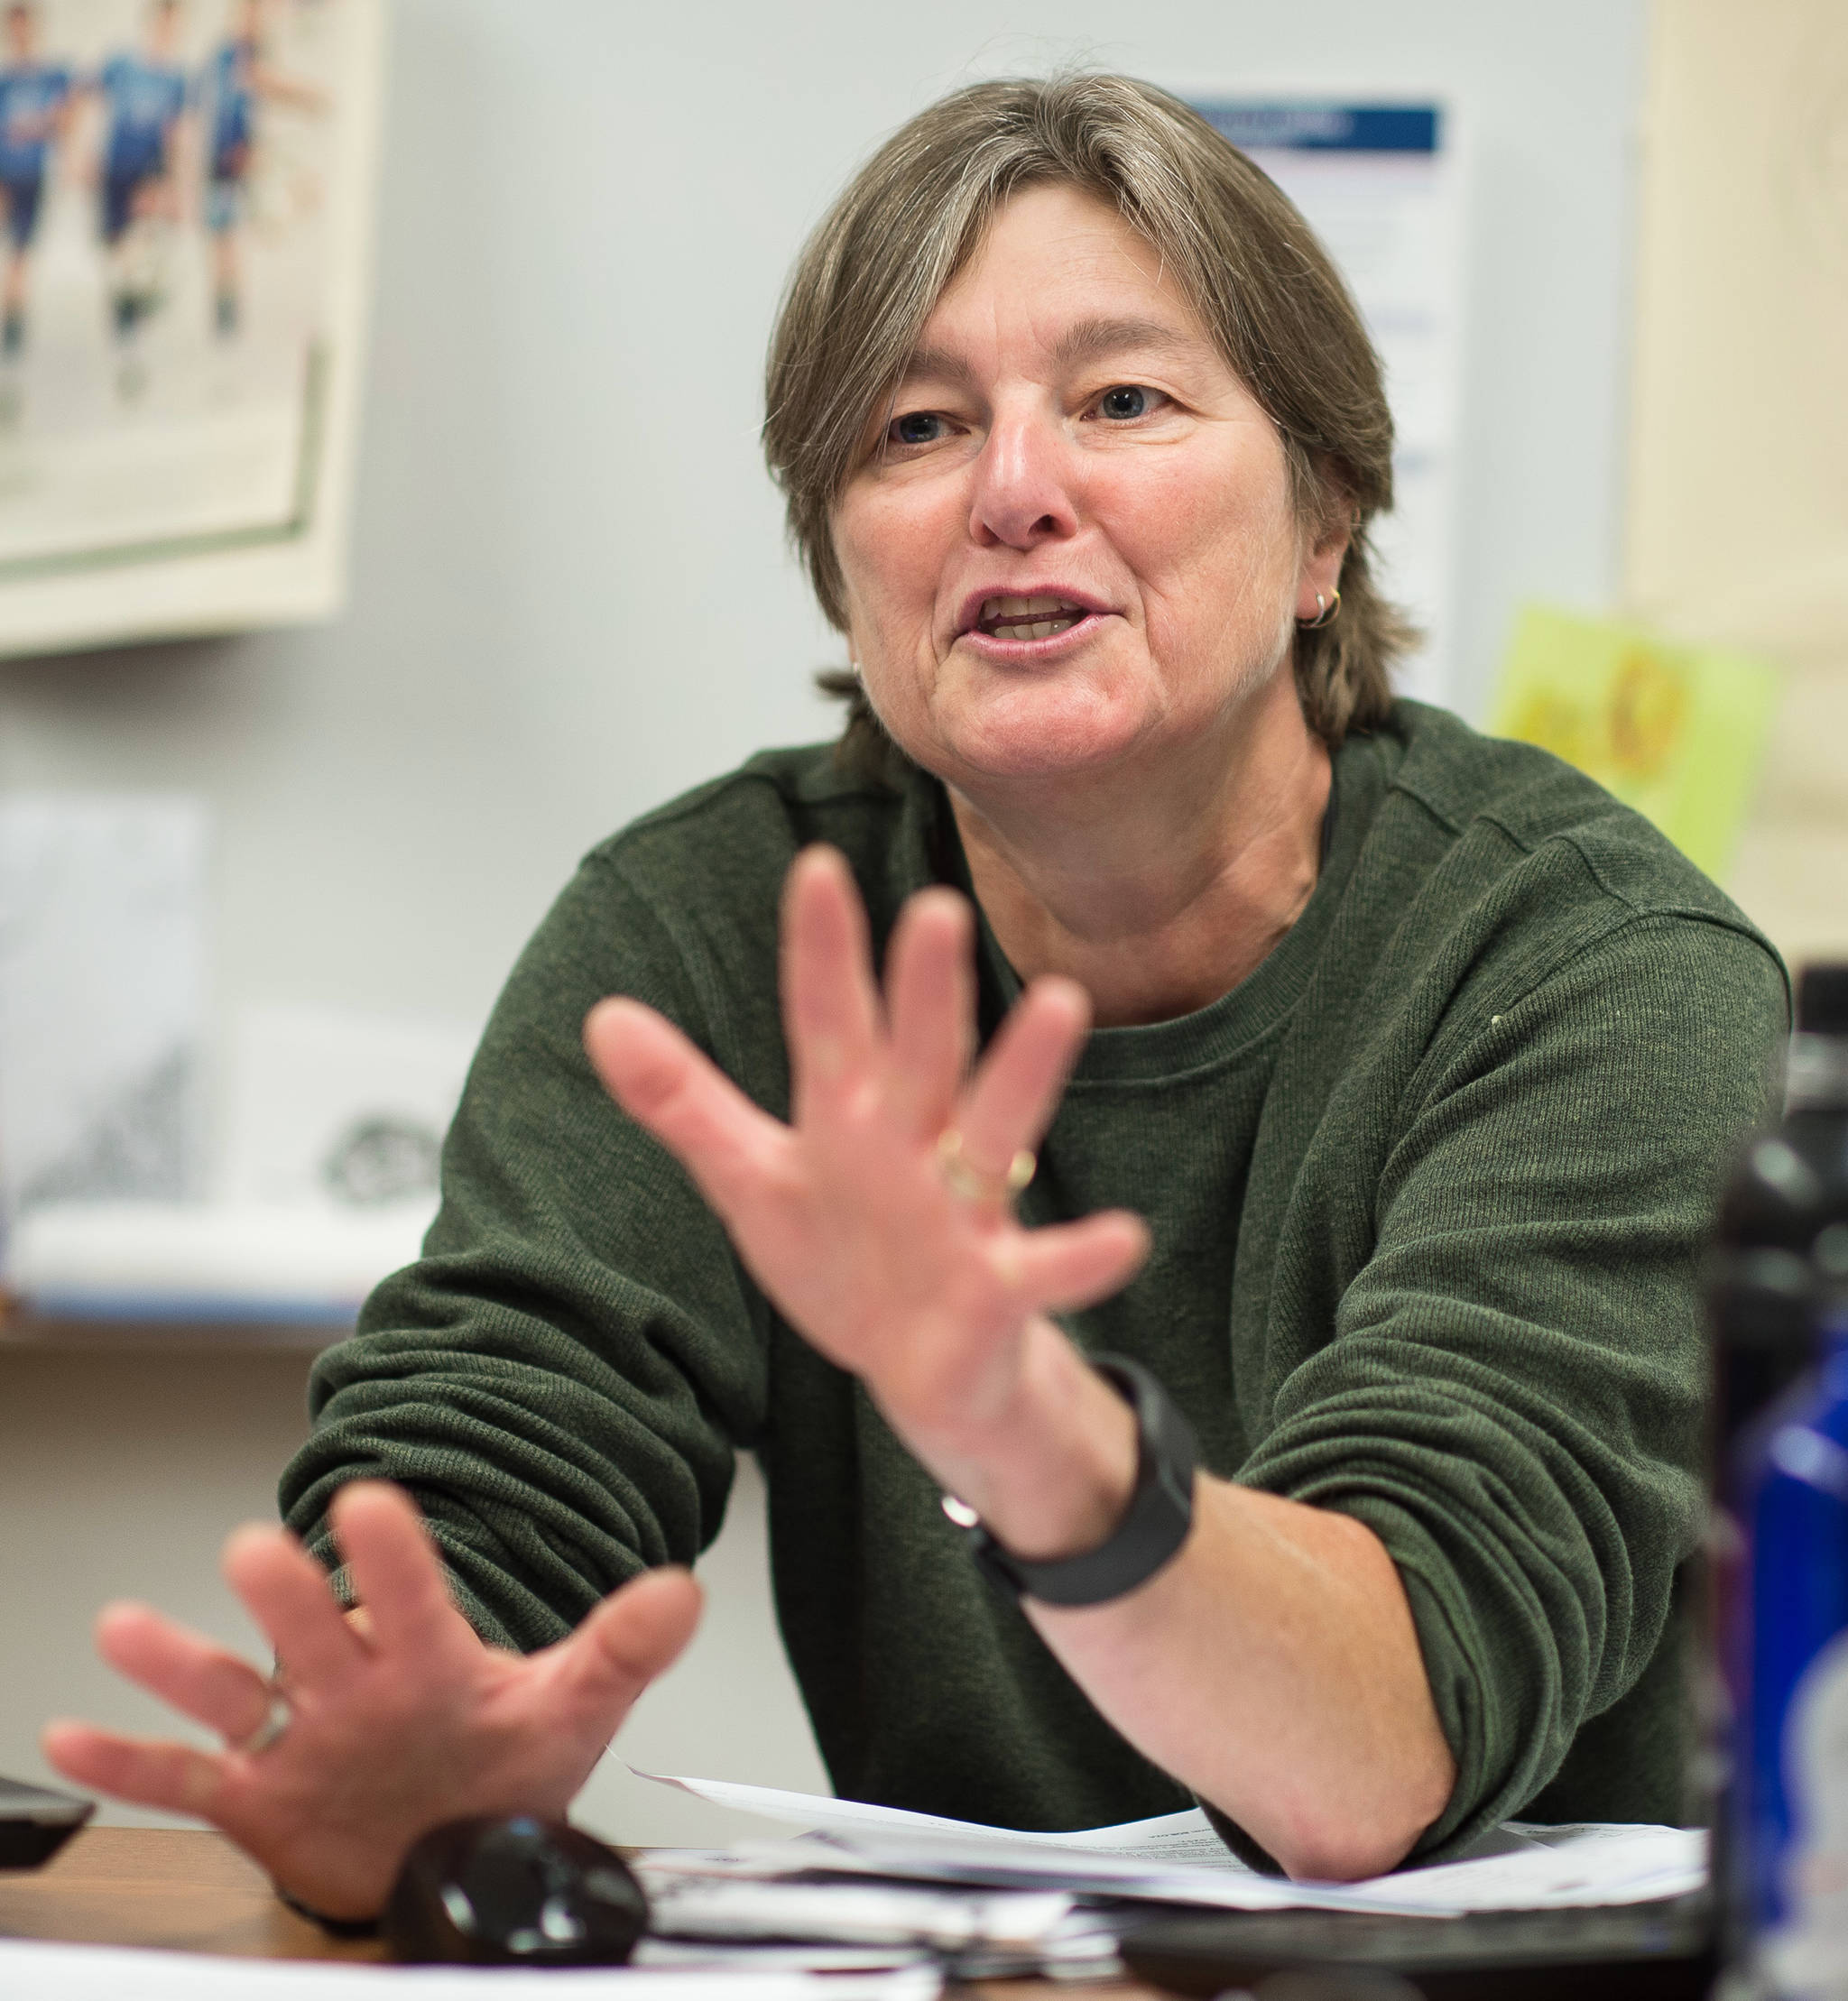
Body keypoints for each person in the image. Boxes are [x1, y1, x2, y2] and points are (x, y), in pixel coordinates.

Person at [44, 75, 1787, 1923]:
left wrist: (1023, 1422)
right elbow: (496, 1455)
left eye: (1122, 399)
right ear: (840, 556)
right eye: (915, 426)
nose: (1014, 490)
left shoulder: (1598, 973)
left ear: (1324, 524)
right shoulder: (720, 929)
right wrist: (406, 1719)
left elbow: (1371, 1745)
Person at [198, 0, 321, 338]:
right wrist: (310, 98)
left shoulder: (243, 51)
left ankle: (229, 311)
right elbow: (263, 84)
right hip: (225, 159)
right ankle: (225, 311)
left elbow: (262, 90)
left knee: (231, 236)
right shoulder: (233, 54)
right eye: (248, 14)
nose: (253, 20)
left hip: (240, 158)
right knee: (225, 238)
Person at [89, 0, 189, 371]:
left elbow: (176, 134)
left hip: (149, 174)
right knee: (114, 247)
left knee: (140, 244)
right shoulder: (122, 64)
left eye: (174, 27)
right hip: (116, 168)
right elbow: (88, 101)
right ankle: (122, 309)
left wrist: (176, 189)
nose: (167, 34)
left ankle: (134, 317)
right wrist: (84, 156)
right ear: (151, 25)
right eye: (163, 24)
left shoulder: (176, 78)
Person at [0, 2, 72, 360]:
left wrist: (35, 127)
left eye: (26, 28)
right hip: (4, 176)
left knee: (21, 255)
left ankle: (13, 326)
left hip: (32, 177)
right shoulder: (4, 79)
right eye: (15, 29)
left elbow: (63, 123)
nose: (21, 36)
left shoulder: (52, 76)